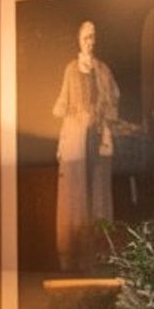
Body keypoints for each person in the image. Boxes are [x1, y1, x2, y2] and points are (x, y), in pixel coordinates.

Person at [52, 19, 120, 272]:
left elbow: (110, 103)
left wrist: (106, 131)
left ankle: (98, 255)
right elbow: (66, 105)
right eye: (85, 38)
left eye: (92, 37)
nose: (89, 42)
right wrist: (62, 141)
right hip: (75, 134)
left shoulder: (102, 70)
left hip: (96, 134)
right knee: (75, 193)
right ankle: (73, 255)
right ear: (79, 40)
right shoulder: (71, 69)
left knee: (97, 190)